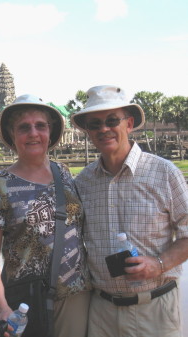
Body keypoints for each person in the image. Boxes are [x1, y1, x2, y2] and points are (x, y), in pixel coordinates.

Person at [71, 85, 188, 337]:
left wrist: (159, 264)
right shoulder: (83, 182)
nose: (104, 129)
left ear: (129, 123)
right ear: (88, 132)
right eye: (94, 124)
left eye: (112, 120)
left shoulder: (164, 173)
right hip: (101, 312)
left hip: (155, 309)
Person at [0, 94, 91, 337]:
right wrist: (1, 309)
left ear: (49, 132)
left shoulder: (63, 172)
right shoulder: (0, 184)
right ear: (12, 135)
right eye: (24, 127)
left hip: (76, 294)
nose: (33, 133)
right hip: (26, 299)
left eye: (40, 126)